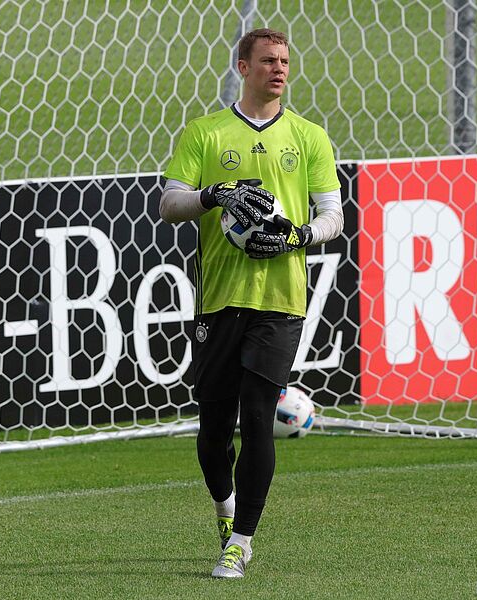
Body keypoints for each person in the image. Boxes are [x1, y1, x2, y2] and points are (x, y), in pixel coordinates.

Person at [160, 28, 343, 578]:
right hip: (219, 297)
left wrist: (298, 236)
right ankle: (225, 510)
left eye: (284, 61)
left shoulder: (309, 136)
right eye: (268, 60)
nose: (279, 69)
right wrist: (214, 195)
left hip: (281, 299)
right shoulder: (206, 132)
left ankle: (240, 543)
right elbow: (170, 204)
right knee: (215, 428)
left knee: (259, 414)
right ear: (243, 68)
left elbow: (332, 218)